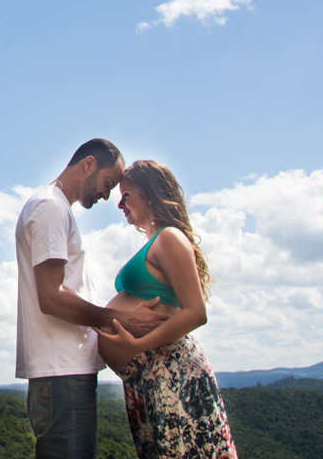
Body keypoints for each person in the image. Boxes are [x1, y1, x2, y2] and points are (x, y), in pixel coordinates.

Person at [15, 139, 168, 459]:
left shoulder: (54, 208)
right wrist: (124, 319)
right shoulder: (49, 207)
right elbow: (51, 298)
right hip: (62, 374)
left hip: (65, 373)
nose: (108, 195)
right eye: (108, 183)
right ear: (88, 164)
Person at [96, 160, 237, 459]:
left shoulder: (169, 238)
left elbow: (196, 312)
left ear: (149, 194)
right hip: (149, 378)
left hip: (173, 372)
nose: (120, 203)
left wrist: (136, 344)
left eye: (127, 195)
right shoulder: (154, 242)